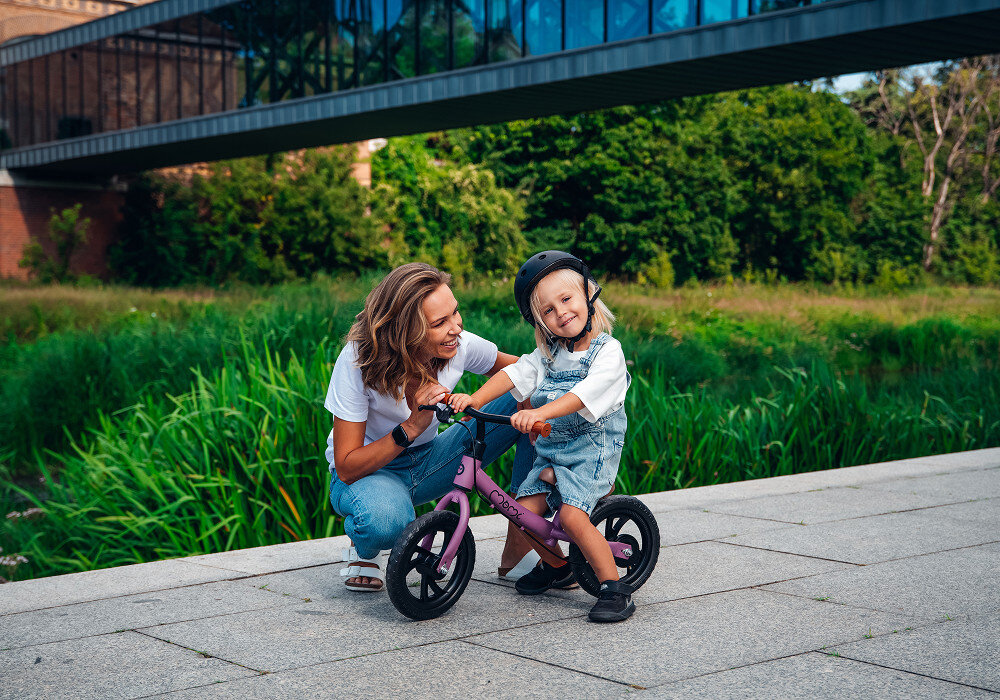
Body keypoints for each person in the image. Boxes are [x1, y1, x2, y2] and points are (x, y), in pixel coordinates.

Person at [324, 262, 536, 592]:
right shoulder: (358, 361)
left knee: (541, 392)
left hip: (432, 461)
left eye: (455, 313)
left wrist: (523, 393)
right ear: (404, 332)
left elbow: (528, 367)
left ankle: (521, 542)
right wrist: (411, 427)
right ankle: (364, 551)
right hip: (369, 473)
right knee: (385, 523)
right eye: (440, 323)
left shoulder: (458, 345)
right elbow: (348, 466)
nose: (456, 327)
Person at [448, 251, 633, 622]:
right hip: (553, 451)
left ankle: (615, 588)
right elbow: (515, 375)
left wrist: (538, 412)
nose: (561, 312)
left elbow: (583, 394)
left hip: (591, 450)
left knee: (572, 517)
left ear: (589, 294)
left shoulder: (607, 352)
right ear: (540, 322)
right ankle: (558, 567)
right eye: (548, 310)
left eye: (566, 299)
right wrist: (474, 398)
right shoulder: (548, 353)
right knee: (522, 515)